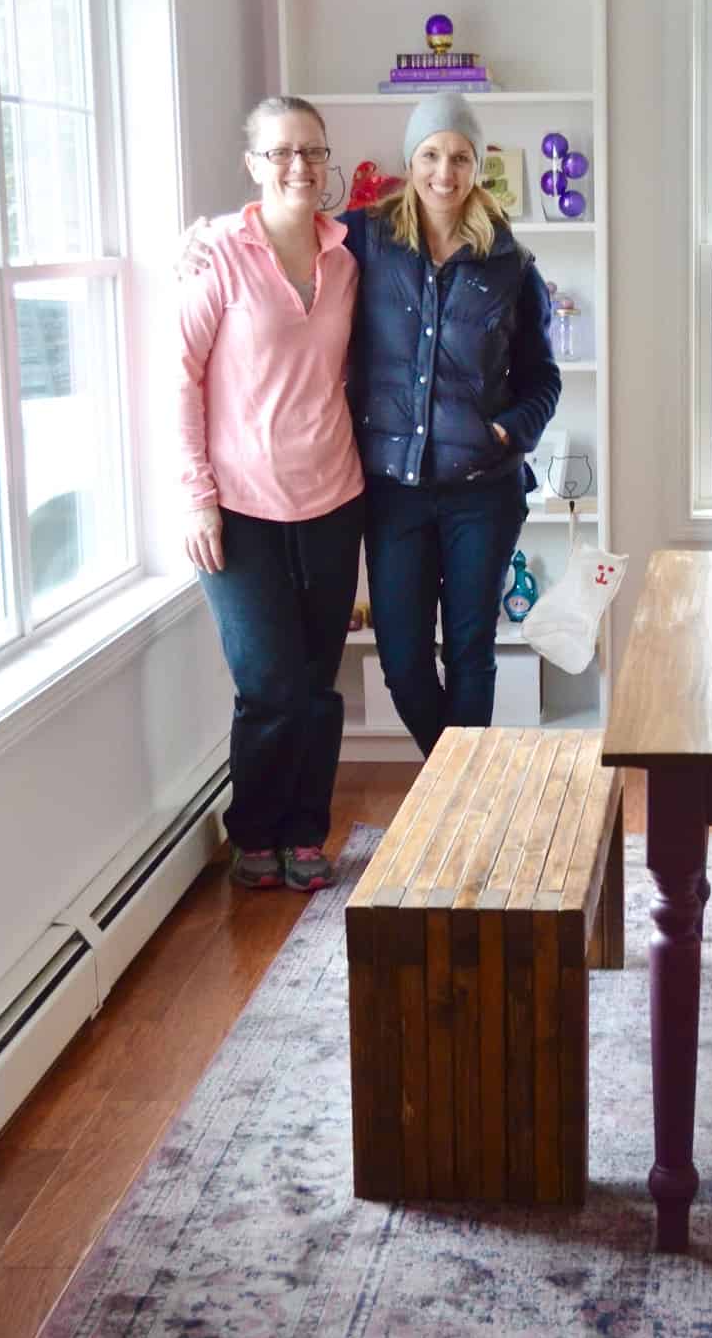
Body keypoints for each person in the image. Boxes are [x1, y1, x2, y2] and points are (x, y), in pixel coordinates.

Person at [179, 98, 364, 890]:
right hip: (240, 511)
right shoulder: (217, 254)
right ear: (253, 164)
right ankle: (254, 832)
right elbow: (180, 379)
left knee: (317, 687)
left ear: (328, 164)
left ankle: (305, 833)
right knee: (269, 683)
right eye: (281, 152)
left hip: (333, 496)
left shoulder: (351, 258)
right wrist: (196, 494)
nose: (300, 167)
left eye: (313, 152)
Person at [343, 93, 561, 755]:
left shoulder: (511, 266)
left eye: (461, 156)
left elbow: (541, 380)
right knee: (404, 662)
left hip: (482, 492)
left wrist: (505, 432)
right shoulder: (364, 240)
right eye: (432, 154)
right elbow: (281, 242)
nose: (446, 171)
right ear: (411, 160)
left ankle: (459, 805)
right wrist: (209, 244)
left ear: (478, 164)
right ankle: (460, 783)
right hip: (393, 493)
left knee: (471, 652)